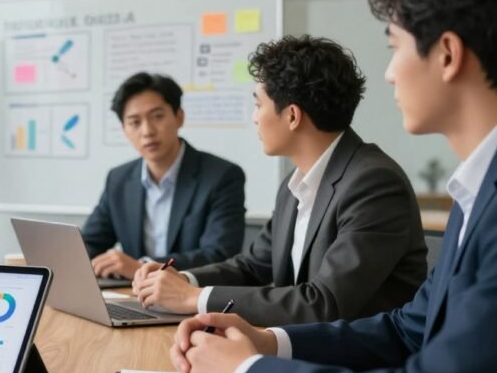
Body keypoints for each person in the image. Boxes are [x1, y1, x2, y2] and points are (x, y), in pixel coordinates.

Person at [171, 0, 497, 373]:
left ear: (447, 54)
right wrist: (271, 342)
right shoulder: (484, 187)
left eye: (395, 47)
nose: (388, 72)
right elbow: (407, 330)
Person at [133, 36, 426, 326]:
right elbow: (253, 266)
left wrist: (193, 298)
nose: (254, 118)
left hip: (358, 364)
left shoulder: (373, 184)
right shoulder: (295, 185)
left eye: (258, 105)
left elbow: (324, 303)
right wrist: (184, 279)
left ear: (293, 116)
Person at [82, 72, 246, 278]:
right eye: (135, 122)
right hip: (130, 296)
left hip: (191, 299)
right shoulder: (119, 179)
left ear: (179, 117)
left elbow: (219, 254)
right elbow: (89, 244)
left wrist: (142, 267)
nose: (147, 131)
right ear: (124, 130)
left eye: (157, 116)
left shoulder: (222, 176)